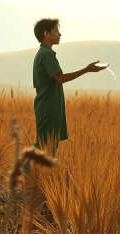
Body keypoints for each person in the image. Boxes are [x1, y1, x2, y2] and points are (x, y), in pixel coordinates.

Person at [30, 18, 106, 158]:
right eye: (56, 31)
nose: (60, 34)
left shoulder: (45, 53)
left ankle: (40, 176)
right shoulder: (46, 55)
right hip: (48, 108)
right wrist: (86, 69)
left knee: (49, 148)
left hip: (49, 106)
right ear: (46, 34)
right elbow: (60, 78)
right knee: (44, 146)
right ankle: (23, 175)